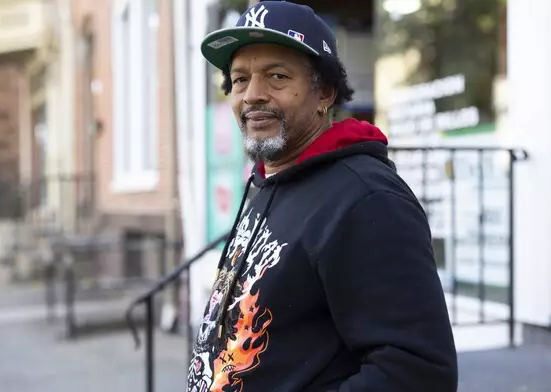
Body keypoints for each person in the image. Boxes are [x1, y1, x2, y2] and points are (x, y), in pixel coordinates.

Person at [187, 2, 458, 391]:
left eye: (277, 76)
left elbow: (417, 372)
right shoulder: (270, 182)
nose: (252, 96)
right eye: (240, 79)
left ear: (325, 92)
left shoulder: (366, 199)